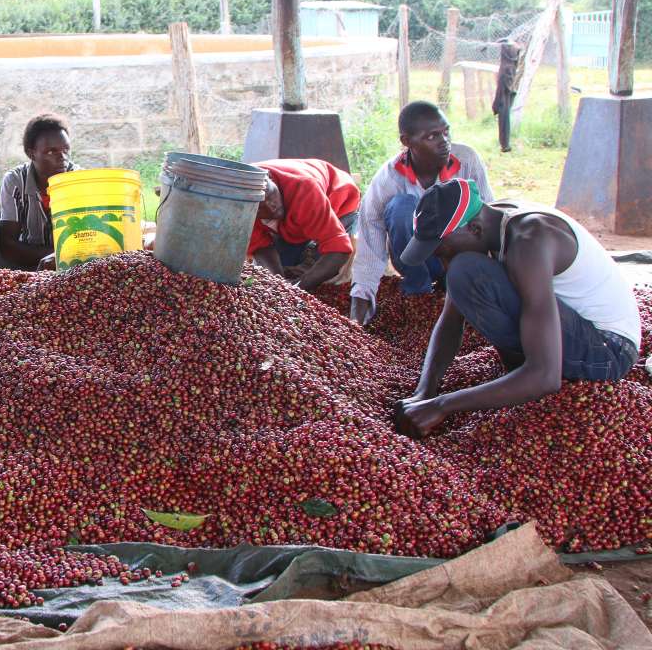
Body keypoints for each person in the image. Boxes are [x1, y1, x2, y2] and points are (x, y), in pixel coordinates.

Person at [393, 179, 640, 439]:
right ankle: (520, 376)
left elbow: (546, 376)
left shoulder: (529, 241)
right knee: (462, 274)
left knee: (466, 271)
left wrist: (442, 405)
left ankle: (523, 376)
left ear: (474, 229)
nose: (443, 264)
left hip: (610, 350)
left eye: (445, 252)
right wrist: (425, 391)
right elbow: (450, 322)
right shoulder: (487, 219)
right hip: (574, 333)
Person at [349, 101, 493, 326]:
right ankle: (418, 294)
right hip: (415, 258)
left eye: (446, 132)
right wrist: (360, 301)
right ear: (407, 142)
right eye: (432, 136)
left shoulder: (467, 161)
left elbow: (489, 217)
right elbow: (370, 243)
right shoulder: (388, 180)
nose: (444, 142)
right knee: (402, 207)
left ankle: (454, 286)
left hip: (459, 255)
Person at [247, 158, 360, 292]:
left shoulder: (304, 190)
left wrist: (299, 288)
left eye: (271, 196)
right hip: (298, 212)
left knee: (324, 273)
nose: (271, 207)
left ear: (270, 177)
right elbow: (261, 247)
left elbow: (339, 249)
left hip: (338, 199)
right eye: (260, 208)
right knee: (287, 266)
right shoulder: (241, 207)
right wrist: (280, 285)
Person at [0, 114, 73, 271]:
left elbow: (88, 238)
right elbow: (7, 244)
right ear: (31, 154)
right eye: (51, 152)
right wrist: (54, 255)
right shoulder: (15, 181)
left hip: (69, 262)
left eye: (66, 149)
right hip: (23, 259)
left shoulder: (79, 180)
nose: (62, 158)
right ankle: (14, 276)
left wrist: (61, 258)